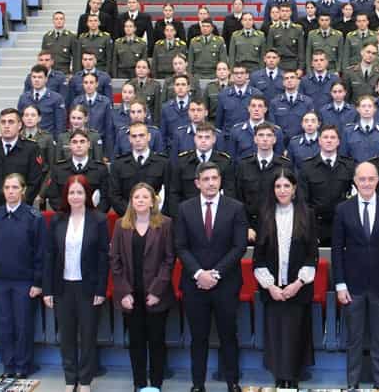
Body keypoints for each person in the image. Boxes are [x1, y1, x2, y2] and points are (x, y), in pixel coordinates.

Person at [174, 161, 248, 392]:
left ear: (220, 180)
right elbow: (180, 246)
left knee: (228, 335)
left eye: (214, 178)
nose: (211, 183)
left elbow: (239, 246)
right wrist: (199, 273)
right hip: (194, 284)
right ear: (197, 183)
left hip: (226, 283)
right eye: (205, 179)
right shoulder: (184, 209)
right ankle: (198, 384)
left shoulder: (235, 207)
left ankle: (232, 382)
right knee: (198, 337)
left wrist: (215, 274)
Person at [331, 161, 379, 390]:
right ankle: (352, 385)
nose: (366, 183)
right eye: (362, 179)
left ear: (377, 180)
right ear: (355, 181)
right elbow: (336, 250)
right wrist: (340, 284)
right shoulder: (343, 209)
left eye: (371, 179)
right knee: (353, 339)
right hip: (352, 286)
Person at [253, 169, 319, 388]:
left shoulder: (307, 214)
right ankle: (280, 379)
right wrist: (270, 286)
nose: (282, 190)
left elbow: (312, 255)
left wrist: (298, 283)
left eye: (286, 186)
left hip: (297, 288)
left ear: (294, 189)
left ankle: (293, 379)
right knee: (276, 336)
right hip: (273, 289)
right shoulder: (265, 215)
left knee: (295, 334)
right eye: (278, 186)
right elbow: (258, 257)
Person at [43, 175, 108, 392]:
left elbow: (103, 257)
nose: (76, 196)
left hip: (88, 287)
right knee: (67, 336)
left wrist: (101, 289)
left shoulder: (98, 220)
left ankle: (85, 381)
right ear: (66, 196)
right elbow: (50, 255)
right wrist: (48, 289)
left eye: (80, 192)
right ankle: (70, 379)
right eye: (72, 192)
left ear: (87, 195)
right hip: (63, 286)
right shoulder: (57, 220)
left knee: (88, 335)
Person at [110, 182, 176, 392]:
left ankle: (156, 385)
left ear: (153, 201)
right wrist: (124, 292)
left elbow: (169, 260)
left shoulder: (165, 224)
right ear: (131, 201)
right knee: (136, 342)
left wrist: (157, 290)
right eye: (136, 197)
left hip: (157, 294)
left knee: (157, 342)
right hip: (130, 295)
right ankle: (139, 384)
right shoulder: (121, 225)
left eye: (145, 197)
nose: (140, 200)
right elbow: (115, 260)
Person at [0, 173, 46, 379]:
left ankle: (23, 366)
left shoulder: (34, 217)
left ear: (23, 190)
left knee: (23, 325)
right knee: (3, 324)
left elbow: (41, 252)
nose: (10, 191)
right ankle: (8, 366)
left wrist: (37, 281)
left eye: (15, 187)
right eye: (7, 187)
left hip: (24, 282)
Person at [0, 108, 46, 211]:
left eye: (11, 122)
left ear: (19, 125)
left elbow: (34, 183)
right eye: (3, 122)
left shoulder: (31, 148)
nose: (6, 126)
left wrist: (18, 206)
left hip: (22, 210)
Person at [298, 124, 354, 247]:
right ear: (319, 141)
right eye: (325, 137)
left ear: (338, 142)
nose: (329, 140)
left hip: (343, 225)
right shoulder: (307, 167)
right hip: (316, 226)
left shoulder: (349, 166)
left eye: (333, 137)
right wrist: (308, 229)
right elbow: (303, 202)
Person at [108, 122, 171, 216]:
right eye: (134, 136)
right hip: (128, 217)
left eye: (142, 135)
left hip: (156, 216)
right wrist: (131, 214)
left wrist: (157, 214)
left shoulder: (163, 163)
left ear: (149, 137)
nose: (138, 139)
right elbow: (114, 195)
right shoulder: (118, 164)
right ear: (129, 139)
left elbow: (170, 194)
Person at [45, 129, 111, 212]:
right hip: (66, 216)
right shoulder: (58, 169)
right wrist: (67, 214)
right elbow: (53, 197)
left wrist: (94, 216)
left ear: (89, 144)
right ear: (70, 145)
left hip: (93, 216)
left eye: (82, 142)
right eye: (75, 142)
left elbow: (106, 198)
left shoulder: (100, 169)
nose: (78, 145)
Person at [18, 63, 68, 137]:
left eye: (40, 77)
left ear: (46, 79)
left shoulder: (56, 98)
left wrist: (57, 141)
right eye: (34, 77)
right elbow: (19, 120)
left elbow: (60, 124)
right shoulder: (23, 98)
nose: (36, 80)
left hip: (48, 139)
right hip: (27, 139)